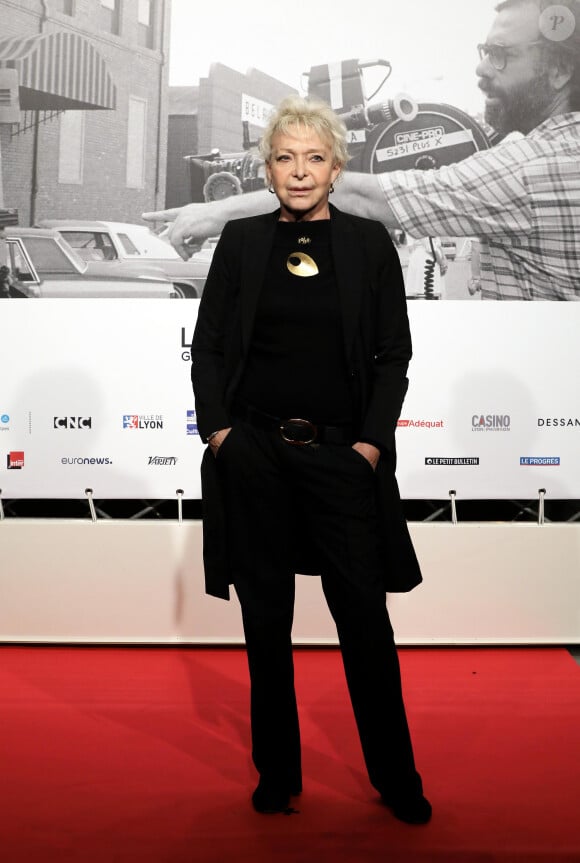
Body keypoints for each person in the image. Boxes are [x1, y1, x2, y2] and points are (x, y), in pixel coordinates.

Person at [190, 95, 431, 824]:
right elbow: (210, 348)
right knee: (266, 623)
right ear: (267, 169)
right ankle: (278, 774)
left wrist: (367, 446)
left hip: (340, 459)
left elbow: (394, 357)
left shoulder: (369, 245)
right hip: (255, 453)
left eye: (314, 157)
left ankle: (396, 777)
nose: (299, 171)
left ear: (336, 167)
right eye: (285, 157)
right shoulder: (239, 242)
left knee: (365, 623)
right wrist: (222, 435)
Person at [144, 0, 580, 301]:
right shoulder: (550, 151)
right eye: (484, 51)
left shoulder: (533, 169)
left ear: (560, 70)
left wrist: (218, 212)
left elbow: (356, 195)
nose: (482, 68)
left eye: (501, 55)